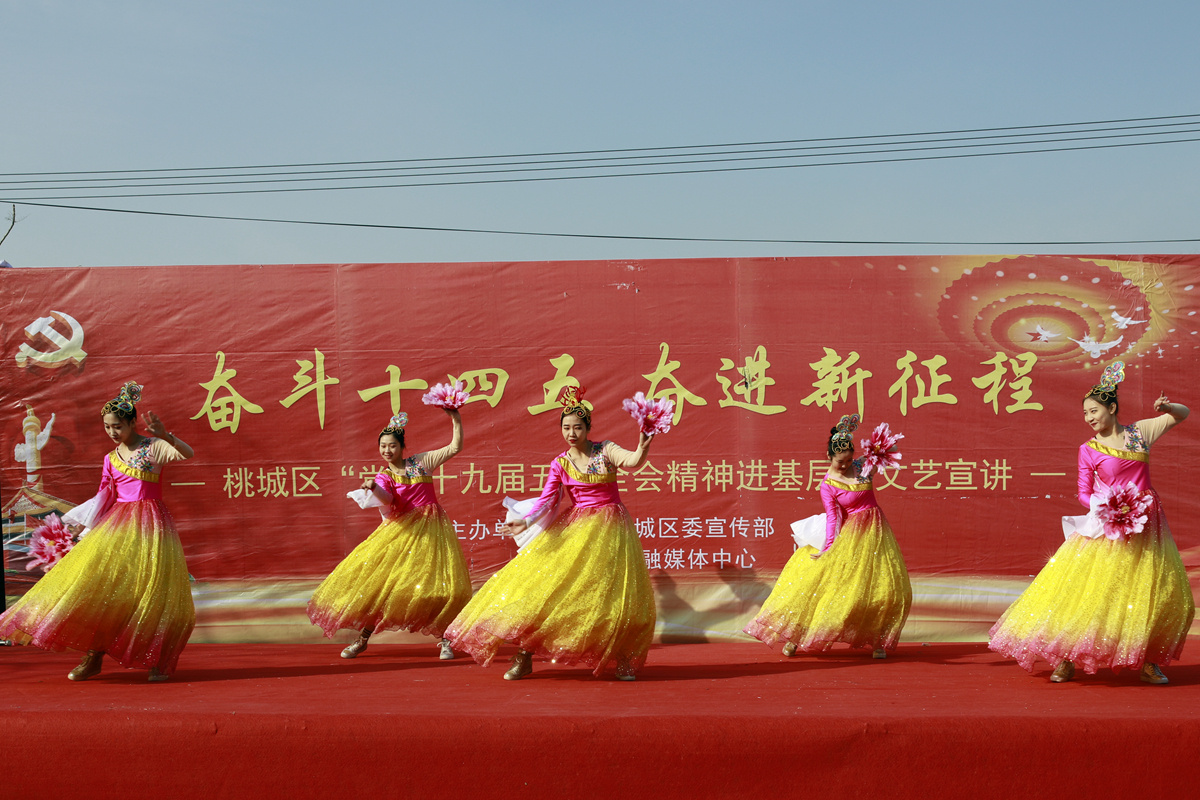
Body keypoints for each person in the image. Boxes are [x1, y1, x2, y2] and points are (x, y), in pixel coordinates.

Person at [989, 362, 1193, 684]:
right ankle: (1066, 657)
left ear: (1111, 408)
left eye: (1094, 411)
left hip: (1146, 527)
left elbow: (1183, 414)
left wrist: (1167, 408)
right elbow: (1084, 493)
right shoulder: (1088, 449)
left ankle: (1149, 661)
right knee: (1087, 593)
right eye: (1085, 413)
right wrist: (1108, 505)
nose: (1089, 417)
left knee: (1153, 592)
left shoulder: (1139, 434)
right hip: (1107, 526)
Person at [444, 386, 656, 681]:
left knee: (613, 594)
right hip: (577, 530)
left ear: (588, 428)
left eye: (577, 427)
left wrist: (643, 445)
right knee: (547, 590)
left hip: (611, 529)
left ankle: (621, 657)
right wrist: (525, 522)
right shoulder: (560, 463)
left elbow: (633, 461)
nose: (571, 433)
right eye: (566, 428)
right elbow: (546, 501)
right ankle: (524, 655)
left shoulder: (605, 450)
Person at [0, 382, 195, 682]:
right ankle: (93, 656)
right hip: (117, 527)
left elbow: (187, 453)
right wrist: (82, 525)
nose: (112, 432)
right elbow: (104, 496)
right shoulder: (110, 458)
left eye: (118, 426)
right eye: (107, 427)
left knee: (154, 590)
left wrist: (165, 436)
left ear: (132, 422)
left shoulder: (153, 447)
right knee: (102, 590)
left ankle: (158, 659)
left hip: (152, 527)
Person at [744, 414, 911, 659]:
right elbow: (833, 518)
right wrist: (829, 548)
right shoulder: (828, 485)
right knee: (822, 587)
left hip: (876, 534)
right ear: (829, 457)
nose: (845, 465)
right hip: (850, 535)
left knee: (883, 589)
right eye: (840, 461)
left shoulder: (863, 466)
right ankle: (795, 638)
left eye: (848, 460)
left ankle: (877, 641)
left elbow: (890, 450)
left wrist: (880, 447)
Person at [308, 409, 471, 660]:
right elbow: (386, 498)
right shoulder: (383, 476)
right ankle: (362, 639)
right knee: (384, 588)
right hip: (402, 534)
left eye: (392, 445)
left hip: (431, 534)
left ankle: (445, 640)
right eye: (383, 446)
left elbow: (454, 447)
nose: (387, 450)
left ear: (402, 447)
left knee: (438, 588)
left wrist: (455, 419)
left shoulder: (421, 463)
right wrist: (373, 487)